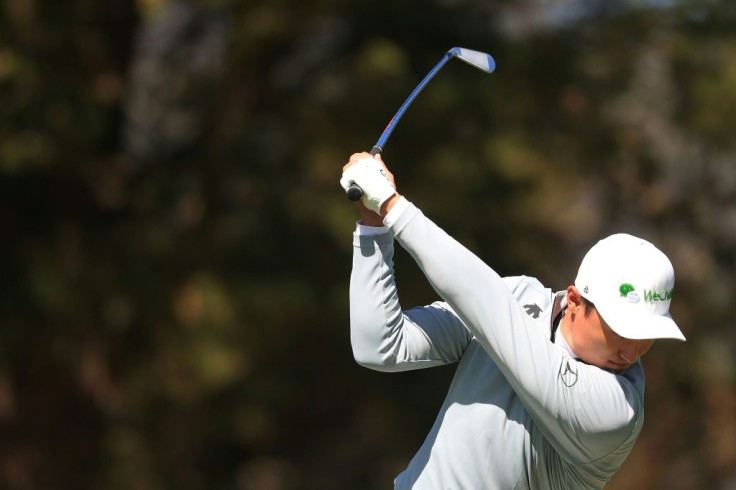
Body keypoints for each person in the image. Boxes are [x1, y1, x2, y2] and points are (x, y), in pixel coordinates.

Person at [340, 152, 686, 489]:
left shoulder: (616, 411)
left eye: (646, 335)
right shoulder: (519, 296)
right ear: (577, 300)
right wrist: (373, 225)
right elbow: (381, 346)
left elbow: (487, 305)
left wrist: (391, 205)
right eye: (621, 331)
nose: (632, 352)